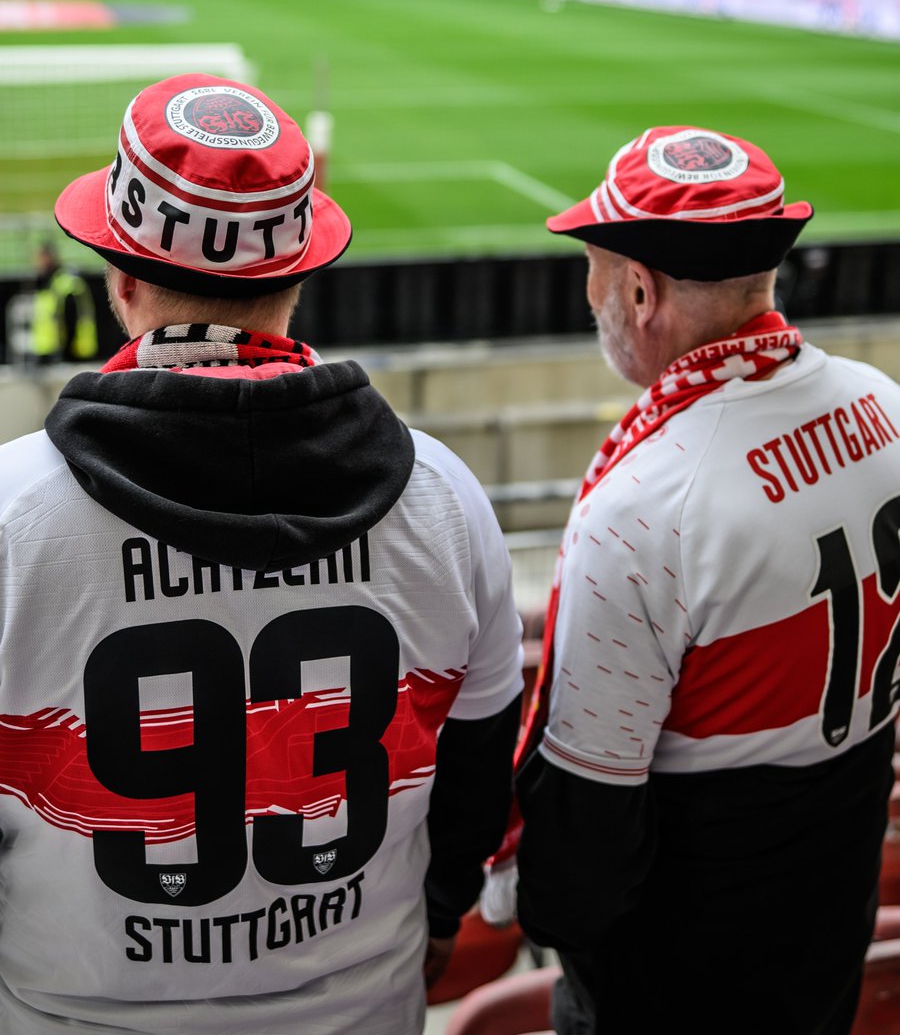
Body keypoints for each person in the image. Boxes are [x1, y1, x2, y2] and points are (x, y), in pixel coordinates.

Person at [0, 73, 523, 1035]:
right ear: (298, 275)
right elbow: (481, 770)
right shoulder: (445, 497)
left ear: (118, 279)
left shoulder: (9, 516)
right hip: (365, 1003)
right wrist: (440, 913)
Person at [508, 125, 900, 1034]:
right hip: (827, 928)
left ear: (639, 293)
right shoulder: (883, 406)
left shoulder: (646, 506)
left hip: (676, 980)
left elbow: (582, 847)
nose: (592, 292)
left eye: (598, 268)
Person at [30, 241, 98, 362]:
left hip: (69, 354)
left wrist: (65, 352)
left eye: (42, 257)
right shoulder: (45, 284)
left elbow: (71, 320)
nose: (39, 263)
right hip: (48, 353)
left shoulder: (65, 282)